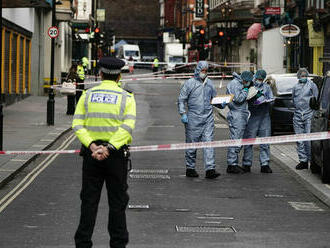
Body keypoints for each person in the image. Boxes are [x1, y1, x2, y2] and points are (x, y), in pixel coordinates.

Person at [72, 57, 136, 248]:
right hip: (115, 157)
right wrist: (108, 149)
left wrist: (92, 146)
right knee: (117, 203)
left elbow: (77, 124)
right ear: (119, 75)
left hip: (91, 157)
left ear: (100, 74)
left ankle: (83, 243)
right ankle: (118, 244)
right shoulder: (127, 97)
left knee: (88, 202)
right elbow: (127, 127)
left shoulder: (88, 94)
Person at [177, 61, 221, 179]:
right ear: (197, 70)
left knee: (209, 143)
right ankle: (190, 168)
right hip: (193, 118)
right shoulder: (190, 84)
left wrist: (222, 103)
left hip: (207, 118)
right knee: (192, 144)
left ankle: (210, 169)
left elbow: (214, 98)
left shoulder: (210, 83)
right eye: (202, 71)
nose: (204, 73)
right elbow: (182, 99)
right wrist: (183, 113)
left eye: (206, 71)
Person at [242, 69, 274, 173]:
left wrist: (267, 101)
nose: (259, 80)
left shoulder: (267, 87)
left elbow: (271, 100)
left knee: (265, 141)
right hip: (253, 116)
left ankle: (265, 164)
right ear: (254, 77)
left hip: (265, 117)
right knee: (249, 141)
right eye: (258, 78)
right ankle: (246, 163)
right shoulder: (250, 87)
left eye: (261, 79)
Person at [226, 71, 254, 174]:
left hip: (241, 114)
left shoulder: (239, 83)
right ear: (243, 79)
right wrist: (246, 90)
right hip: (237, 114)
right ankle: (231, 164)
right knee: (235, 139)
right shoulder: (235, 84)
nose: (247, 83)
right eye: (247, 82)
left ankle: (234, 163)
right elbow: (238, 99)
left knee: (238, 139)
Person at [292, 68, 318, 170]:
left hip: (309, 114)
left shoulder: (312, 85)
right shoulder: (295, 87)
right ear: (298, 76)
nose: (303, 77)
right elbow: (293, 99)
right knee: (299, 139)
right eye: (301, 75)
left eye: (305, 75)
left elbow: (316, 99)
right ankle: (303, 161)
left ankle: (312, 161)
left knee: (308, 139)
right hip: (298, 114)